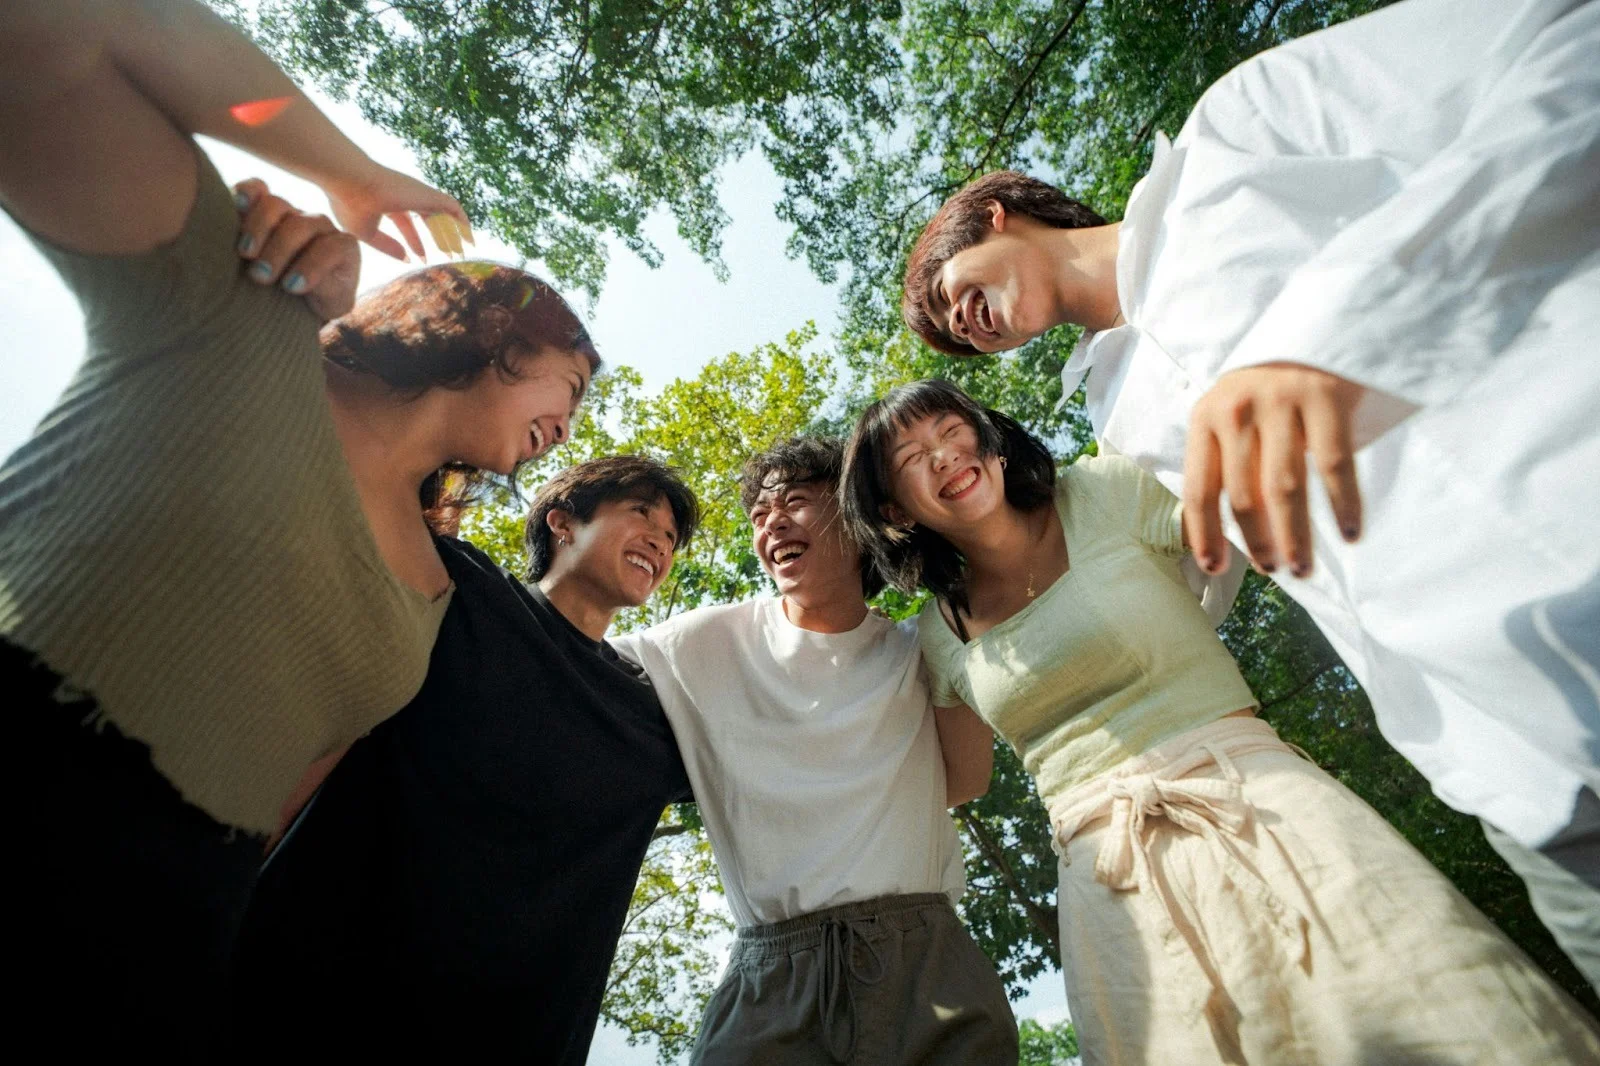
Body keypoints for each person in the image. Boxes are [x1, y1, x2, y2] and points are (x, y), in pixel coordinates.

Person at [898, 0, 1600, 986]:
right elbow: (1199, 581)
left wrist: (1333, 334)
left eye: (949, 285)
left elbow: (1570, 44)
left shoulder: (1237, 134)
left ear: (996, 211)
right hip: (1508, 758)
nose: (959, 320)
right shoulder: (1120, 435)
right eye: (951, 332)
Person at [0, 1, 588, 1055]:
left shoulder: (441, 589)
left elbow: (301, 796)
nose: (571, 421)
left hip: (166, 947)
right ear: (504, 322)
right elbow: (53, 29)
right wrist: (349, 175)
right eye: (571, 378)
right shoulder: (238, 314)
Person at [840, 378, 1600, 1065]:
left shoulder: (1103, 491)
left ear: (990, 442)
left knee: (1429, 995)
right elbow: (956, 782)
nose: (944, 457)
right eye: (913, 457)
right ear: (896, 510)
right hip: (1110, 882)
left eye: (951, 432)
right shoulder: (936, 636)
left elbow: (1264, 525)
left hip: (1257, 801)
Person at [232, 455, 699, 1064]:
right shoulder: (461, 591)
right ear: (562, 522)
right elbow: (375, 477)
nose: (659, 543)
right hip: (301, 997)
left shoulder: (653, 721)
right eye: (641, 514)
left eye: (670, 538)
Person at [613, 436, 1018, 1065]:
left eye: (795, 501)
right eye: (758, 515)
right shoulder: (704, 643)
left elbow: (965, 779)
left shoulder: (922, 646)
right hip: (773, 970)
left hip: (921, 961)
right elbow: (574, 669)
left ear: (859, 521)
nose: (771, 521)